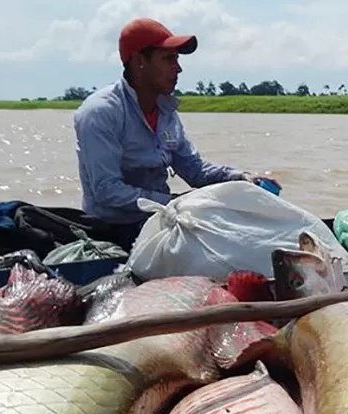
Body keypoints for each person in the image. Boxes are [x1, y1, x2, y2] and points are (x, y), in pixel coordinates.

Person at [73, 18, 278, 249]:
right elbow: (107, 191)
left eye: (177, 59)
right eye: (169, 59)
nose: (178, 68)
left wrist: (241, 178)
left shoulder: (166, 111)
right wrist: (173, 203)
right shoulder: (101, 112)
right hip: (114, 230)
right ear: (140, 61)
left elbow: (195, 170)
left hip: (161, 220)